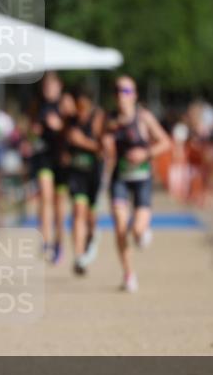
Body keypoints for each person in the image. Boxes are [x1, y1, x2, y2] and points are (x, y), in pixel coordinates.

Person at [103, 75, 171, 293]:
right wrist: (105, 143)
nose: (122, 96)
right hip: (120, 178)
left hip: (142, 179)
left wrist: (145, 153)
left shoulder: (144, 118)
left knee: (136, 230)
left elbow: (165, 142)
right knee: (120, 227)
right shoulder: (110, 121)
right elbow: (101, 144)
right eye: (118, 91)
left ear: (135, 95)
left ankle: (141, 232)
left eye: (126, 91)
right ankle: (128, 274)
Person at [26, 71, 74, 264]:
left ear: (59, 86)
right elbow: (29, 132)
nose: (48, 90)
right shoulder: (37, 104)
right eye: (45, 86)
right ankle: (45, 240)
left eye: (51, 86)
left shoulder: (66, 102)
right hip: (44, 156)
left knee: (59, 205)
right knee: (44, 197)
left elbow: (75, 128)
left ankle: (59, 243)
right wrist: (33, 132)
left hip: (61, 158)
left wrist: (60, 125)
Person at [64, 86, 105, 276]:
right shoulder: (70, 121)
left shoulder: (98, 119)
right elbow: (65, 142)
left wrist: (82, 142)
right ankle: (79, 257)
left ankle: (92, 238)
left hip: (93, 174)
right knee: (77, 211)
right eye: (77, 107)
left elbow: (103, 148)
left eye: (83, 107)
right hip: (76, 173)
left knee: (90, 217)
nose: (80, 111)